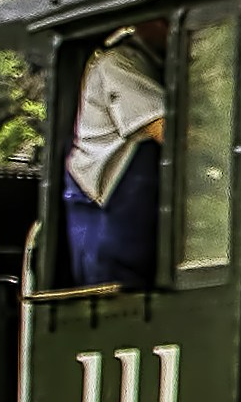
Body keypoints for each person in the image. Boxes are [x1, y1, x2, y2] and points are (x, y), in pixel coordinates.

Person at [60, 25, 167, 290]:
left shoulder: (163, 66)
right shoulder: (118, 63)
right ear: (150, 22)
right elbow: (167, 131)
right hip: (105, 212)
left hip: (138, 219)